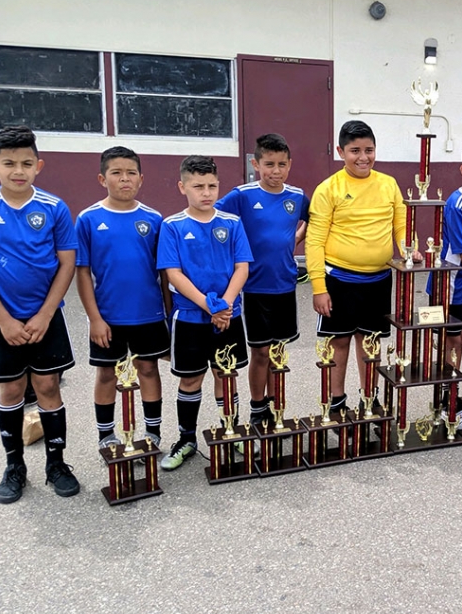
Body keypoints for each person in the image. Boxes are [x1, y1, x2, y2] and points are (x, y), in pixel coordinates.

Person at [0, 126, 79, 503]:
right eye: (9, 163)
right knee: (10, 389)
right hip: (1, 320)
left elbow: (67, 264)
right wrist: (5, 320)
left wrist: (46, 314)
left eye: (27, 163)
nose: (18, 170)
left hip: (46, 316)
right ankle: (14, 466)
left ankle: (56, 463)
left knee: (47, 388)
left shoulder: (54, 208)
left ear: (39, 165)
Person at [156, 156, 252, 470]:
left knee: (226, 375)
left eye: (211, 185)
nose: (206, 192)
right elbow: (173, 273)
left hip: (228, 316)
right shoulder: (171, 226)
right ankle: (186, 439)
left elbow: (242, 267)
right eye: (198, 186)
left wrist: (223, 305)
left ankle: (230, 430)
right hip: (190, 317)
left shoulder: (232, 223)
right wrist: (209, 305)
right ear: (183, 187)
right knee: (190, 380)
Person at [306, 121, 408, 412]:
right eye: (355, 151)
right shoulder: (328, 189)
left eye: (369, 150)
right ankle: (336, 403)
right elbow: (314, 242)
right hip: (339, 280)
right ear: (341, 151)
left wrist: (408, 250)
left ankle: (369, 398)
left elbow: (400, 225)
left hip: (378, 280)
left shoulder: (388, 183)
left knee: (370, 344)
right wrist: (318, 288)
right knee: (339, 344)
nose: (363, 157)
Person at [76, 146, 168, 451]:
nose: (124, 179)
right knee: (106, 374)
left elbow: (166, 273)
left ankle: (152, 433)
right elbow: (83, 273)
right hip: (108, 317)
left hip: (149, 314)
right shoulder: (88, 219)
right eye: (116, 173)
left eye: (131, 173)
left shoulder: (154, 219)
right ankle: (106, 435)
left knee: (148, 369)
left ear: (141, 179)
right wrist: (95, 319)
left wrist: (168, 314)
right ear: (103, 178)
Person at [215, 134, 309, 425]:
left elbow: (314, 221)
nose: (276, 171)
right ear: (256, 164)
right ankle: (257, 406)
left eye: (282, 164)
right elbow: (212, 218)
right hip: (254, 288)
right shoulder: (241, 196)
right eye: (269, 164)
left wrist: (294, 239)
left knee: (278, 350)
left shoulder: (297, 197)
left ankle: (274, 402)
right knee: (260, 351)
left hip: (285, 284)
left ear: (290, 165)